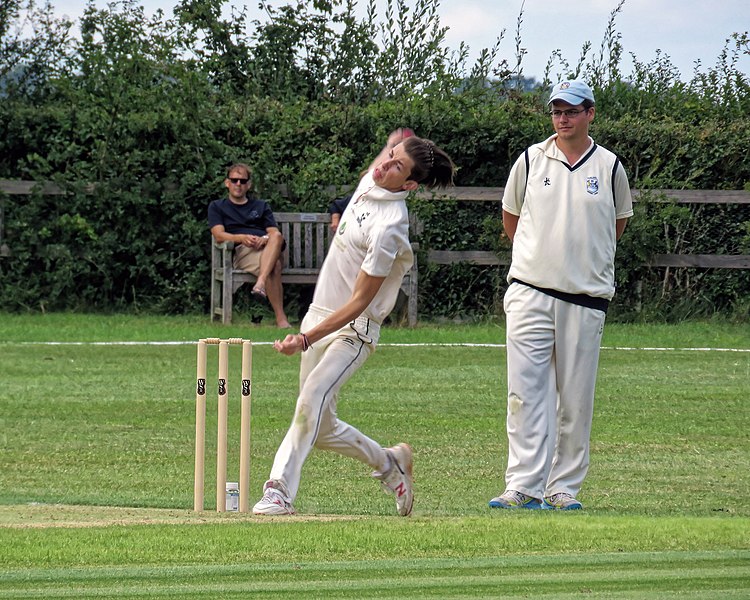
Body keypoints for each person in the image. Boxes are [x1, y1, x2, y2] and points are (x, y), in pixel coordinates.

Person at [252, 132, 455, 516]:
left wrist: (306, 338)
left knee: (310, 399)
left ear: (409, 184)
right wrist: (397, 140)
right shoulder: (370, 181)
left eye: (397, 166)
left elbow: (360, 301)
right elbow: (380, 159)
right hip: (319, 315)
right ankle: (388, 463)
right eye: (389, 156)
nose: (385, 165)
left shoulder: (391, 227)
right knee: (321, 427)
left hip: (354, 330)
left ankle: (278, 489)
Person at [489, 80, 633, 511]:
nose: (563, 118)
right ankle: (522, 486)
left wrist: (579, 260)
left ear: (590, 113)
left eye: (571, 110)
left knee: (574, 398)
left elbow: (616, 226)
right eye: (556, 111)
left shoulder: (609, 166)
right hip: (529, 291)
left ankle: (562, 488)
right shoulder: (531, 160)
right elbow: (510, 220)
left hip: (585, 297)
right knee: (524, 393)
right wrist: (540, 260)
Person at [208, 163, 291, 328]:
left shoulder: (261, 206)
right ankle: (281, 319)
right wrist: (241, 238)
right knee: (275, 266)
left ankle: (260, 282)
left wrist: (265, 239)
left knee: (276, 235)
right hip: (243, 251)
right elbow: (218, 235)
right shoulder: (217, 206)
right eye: (234, 180)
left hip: (267, 248)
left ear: (249, 185)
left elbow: (273, 232)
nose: (238, 184)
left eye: (242, 181)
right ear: (227, 183)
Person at [327, 128, 414, 235]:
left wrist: (391, 146)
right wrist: (336, 221)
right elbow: (336, 205)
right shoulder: (361, 197)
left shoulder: (390, 214)